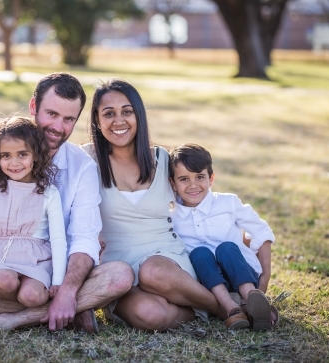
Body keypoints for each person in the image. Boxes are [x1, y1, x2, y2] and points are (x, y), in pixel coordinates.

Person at [0, 73, 134, 335]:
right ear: (33, 106)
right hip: (4, 274)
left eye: (69, 119)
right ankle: (68, 312)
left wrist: (67, 290)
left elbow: (84, 238)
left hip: (58, 275)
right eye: (52, 114)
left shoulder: (82, 167)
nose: (58, 127)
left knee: (120, 276)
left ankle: (6, 320)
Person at [82, 79, 226, 331]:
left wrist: (244, 237)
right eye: (108, 113)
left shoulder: (162, 158)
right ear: (97, 120)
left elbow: (199, 199)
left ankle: (227, 309)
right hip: (118, 270)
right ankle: (214, 306)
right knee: (151, 314)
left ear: (139, 115)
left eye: (127, 111)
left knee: (153, 271)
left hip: (167, 261)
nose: (119, 121)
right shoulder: (85, 160)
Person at [169, 143, 277, 331]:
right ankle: (232, 309)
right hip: (209, 286)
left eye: (200, 177)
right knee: (199, 253)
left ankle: (253, 300)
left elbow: (261, 231)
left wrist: (265, 277)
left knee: (226, 248)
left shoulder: (228, 203)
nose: (193, 185)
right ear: (173, 183)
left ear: (211, 178)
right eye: (184, 179)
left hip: (244, 275)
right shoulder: (172, 217)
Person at [0, 116, 66, 308]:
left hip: (36, 262)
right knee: (6, 282)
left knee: (31, 296)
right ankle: (16, 307)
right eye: (6, 155)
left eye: (22, 154)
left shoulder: (48, 192)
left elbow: (58, 239)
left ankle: (17, 306)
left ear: (36, 155)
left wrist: (57, 281)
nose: (14, 162)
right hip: (2, 261)